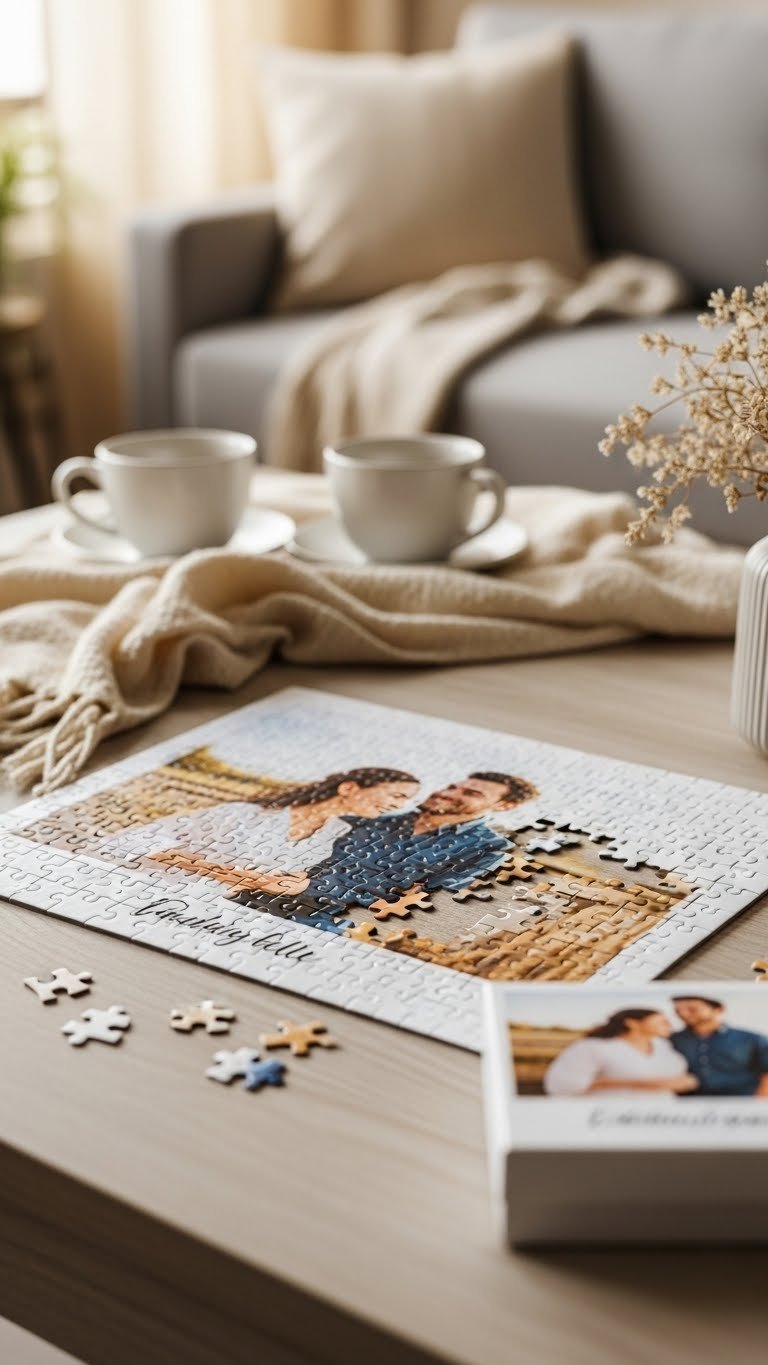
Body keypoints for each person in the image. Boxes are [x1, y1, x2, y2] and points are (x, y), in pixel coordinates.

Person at [210, 770, 538, 915]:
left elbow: (421, 900)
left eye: (470, 793)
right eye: (453, 785)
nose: (449, 793)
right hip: (247, 896)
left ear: (504, 806)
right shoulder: (367, 819)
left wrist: (315, 888)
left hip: (320, 923)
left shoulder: (488, 849)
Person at [96, 767, 419, 891]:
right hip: (144, 891)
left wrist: (195, 863)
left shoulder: (333, 836)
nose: (398, 804)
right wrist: (245, 877)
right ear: (350, 788)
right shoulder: (244, 813)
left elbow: (289, 886)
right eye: (397, 795)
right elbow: (134, 843)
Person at [544, 1008, 699, 1099]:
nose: (669, 1025)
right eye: (661, 1021)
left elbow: (676, 1075)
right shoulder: (592, 1047)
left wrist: (686, 1081)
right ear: (632, 1023)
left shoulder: (662, 1045)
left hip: (661, 1117)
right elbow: (560, 1086)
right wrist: (646, 1085)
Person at [671, 995, 768, 1097]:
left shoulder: (753, 1039)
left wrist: (759, 1104)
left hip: (742, 1102)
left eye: (692, 1009)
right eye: (678, 1010)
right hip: (688, 1105)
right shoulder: (673, 1040)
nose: (683, 1013)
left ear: (719, 1009)